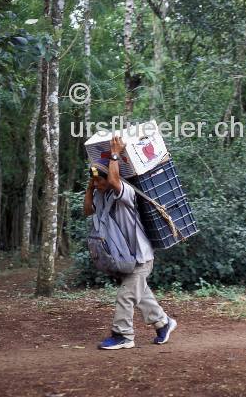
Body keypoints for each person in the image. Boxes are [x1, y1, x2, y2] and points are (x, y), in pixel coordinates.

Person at [84, 136, 177, 350]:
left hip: (140, 257)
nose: (98, 184)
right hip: (126, 258)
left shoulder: (125, 193)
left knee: (126, 296)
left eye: (101, 180)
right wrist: (91, 186)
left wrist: (114, 154)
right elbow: (88, 210)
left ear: (111, 178)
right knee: (141, 295)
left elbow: (115, 181)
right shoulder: (101, 195)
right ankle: (164, 323)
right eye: (95, 181)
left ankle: (123, 335)